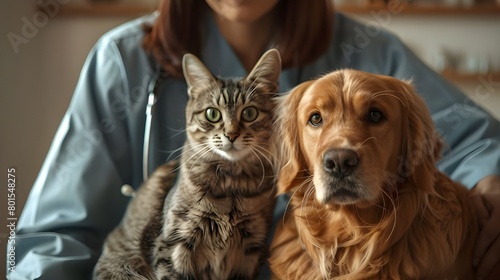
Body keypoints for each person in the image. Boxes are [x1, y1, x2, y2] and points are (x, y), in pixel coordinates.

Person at [8, 0, 500, 279]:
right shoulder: (122, 62)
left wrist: (491, 181)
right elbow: (52, 236)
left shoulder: (370, 52)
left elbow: (476, 140)